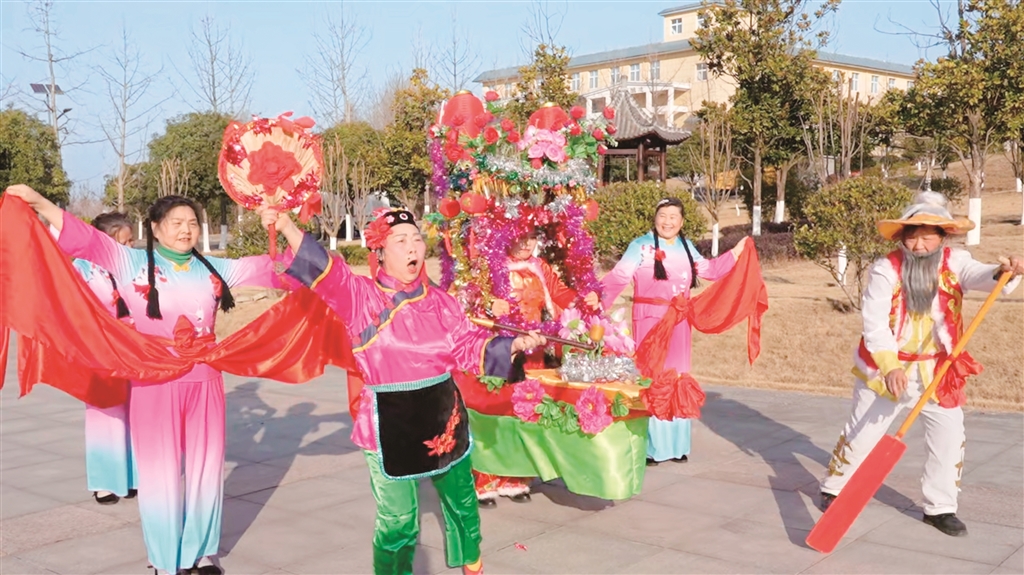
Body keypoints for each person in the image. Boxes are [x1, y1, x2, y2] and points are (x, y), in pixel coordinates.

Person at [5, 185, 282, 575]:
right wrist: (37, 201)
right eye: (176, 222)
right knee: (159, 471)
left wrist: (281, 225)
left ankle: (202, 552)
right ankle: (165, 560)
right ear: (154, 227)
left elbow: (276, 268)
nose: (186, 230)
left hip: (206, 378)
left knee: (206, 469)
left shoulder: (214, 268)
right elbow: (83, 237)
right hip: (154, 379)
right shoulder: (128, 261)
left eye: (192, 223)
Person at [262, 205, 545, 575]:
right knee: (398, 522)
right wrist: (286, 224)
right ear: (380, 252)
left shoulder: (442, 302)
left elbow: (468, 345)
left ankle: (473, 566)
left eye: (416, 239)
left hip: (444, 417)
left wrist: (514, 345)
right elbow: (323, 268)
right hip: (389, 423)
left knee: (462, 504)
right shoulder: (359, 297)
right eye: (400, 241)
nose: (413, 247)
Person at [819, 191, 1023, 536]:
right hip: (886, 368)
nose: (919, 245)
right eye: (912, 236)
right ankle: (835, 488)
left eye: (928, 236)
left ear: (943, 237)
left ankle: (940, 507)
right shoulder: (885, 269)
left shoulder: (956, 262)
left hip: (937, 371)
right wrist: (890, 367)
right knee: (865, 431)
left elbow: (984, 276)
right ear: (902, 237)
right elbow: (874, 324)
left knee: (949, 436)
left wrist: (1005, 270)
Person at [601, 197, 744, 466]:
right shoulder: (640, 246)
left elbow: (710, 270)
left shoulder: (687, 247)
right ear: (655, 218)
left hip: (679, 320)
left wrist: (736, 253)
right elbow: (619, 277)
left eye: (673, 216)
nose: (667, 222)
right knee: (653, 376)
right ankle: (651, 447)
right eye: (663, 215)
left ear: (682, 221)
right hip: (649, 319)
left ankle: (677, 446)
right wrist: (595, 300)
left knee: (677, 377)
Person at [476, 227, 600, 506]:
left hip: (535, 350)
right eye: (518, 236)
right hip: (501, 350)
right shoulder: (489, 265)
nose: (525, 243)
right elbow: (465, 298)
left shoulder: (539, 266)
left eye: (531, 237)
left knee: (528, 412)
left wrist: (586, 300)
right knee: (497, 412)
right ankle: (485, 478)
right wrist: (488, 305)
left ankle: (517, 477)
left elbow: (561, 295)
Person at [74, 212, 138, 505]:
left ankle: (132, 476)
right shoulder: (82, 269)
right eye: (124, 242)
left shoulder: (132, 267)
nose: (130, 247)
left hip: (133, 349)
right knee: (105, 414)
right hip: (99, 350)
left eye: (131, 241)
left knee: (134, 412)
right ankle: (104, 482)